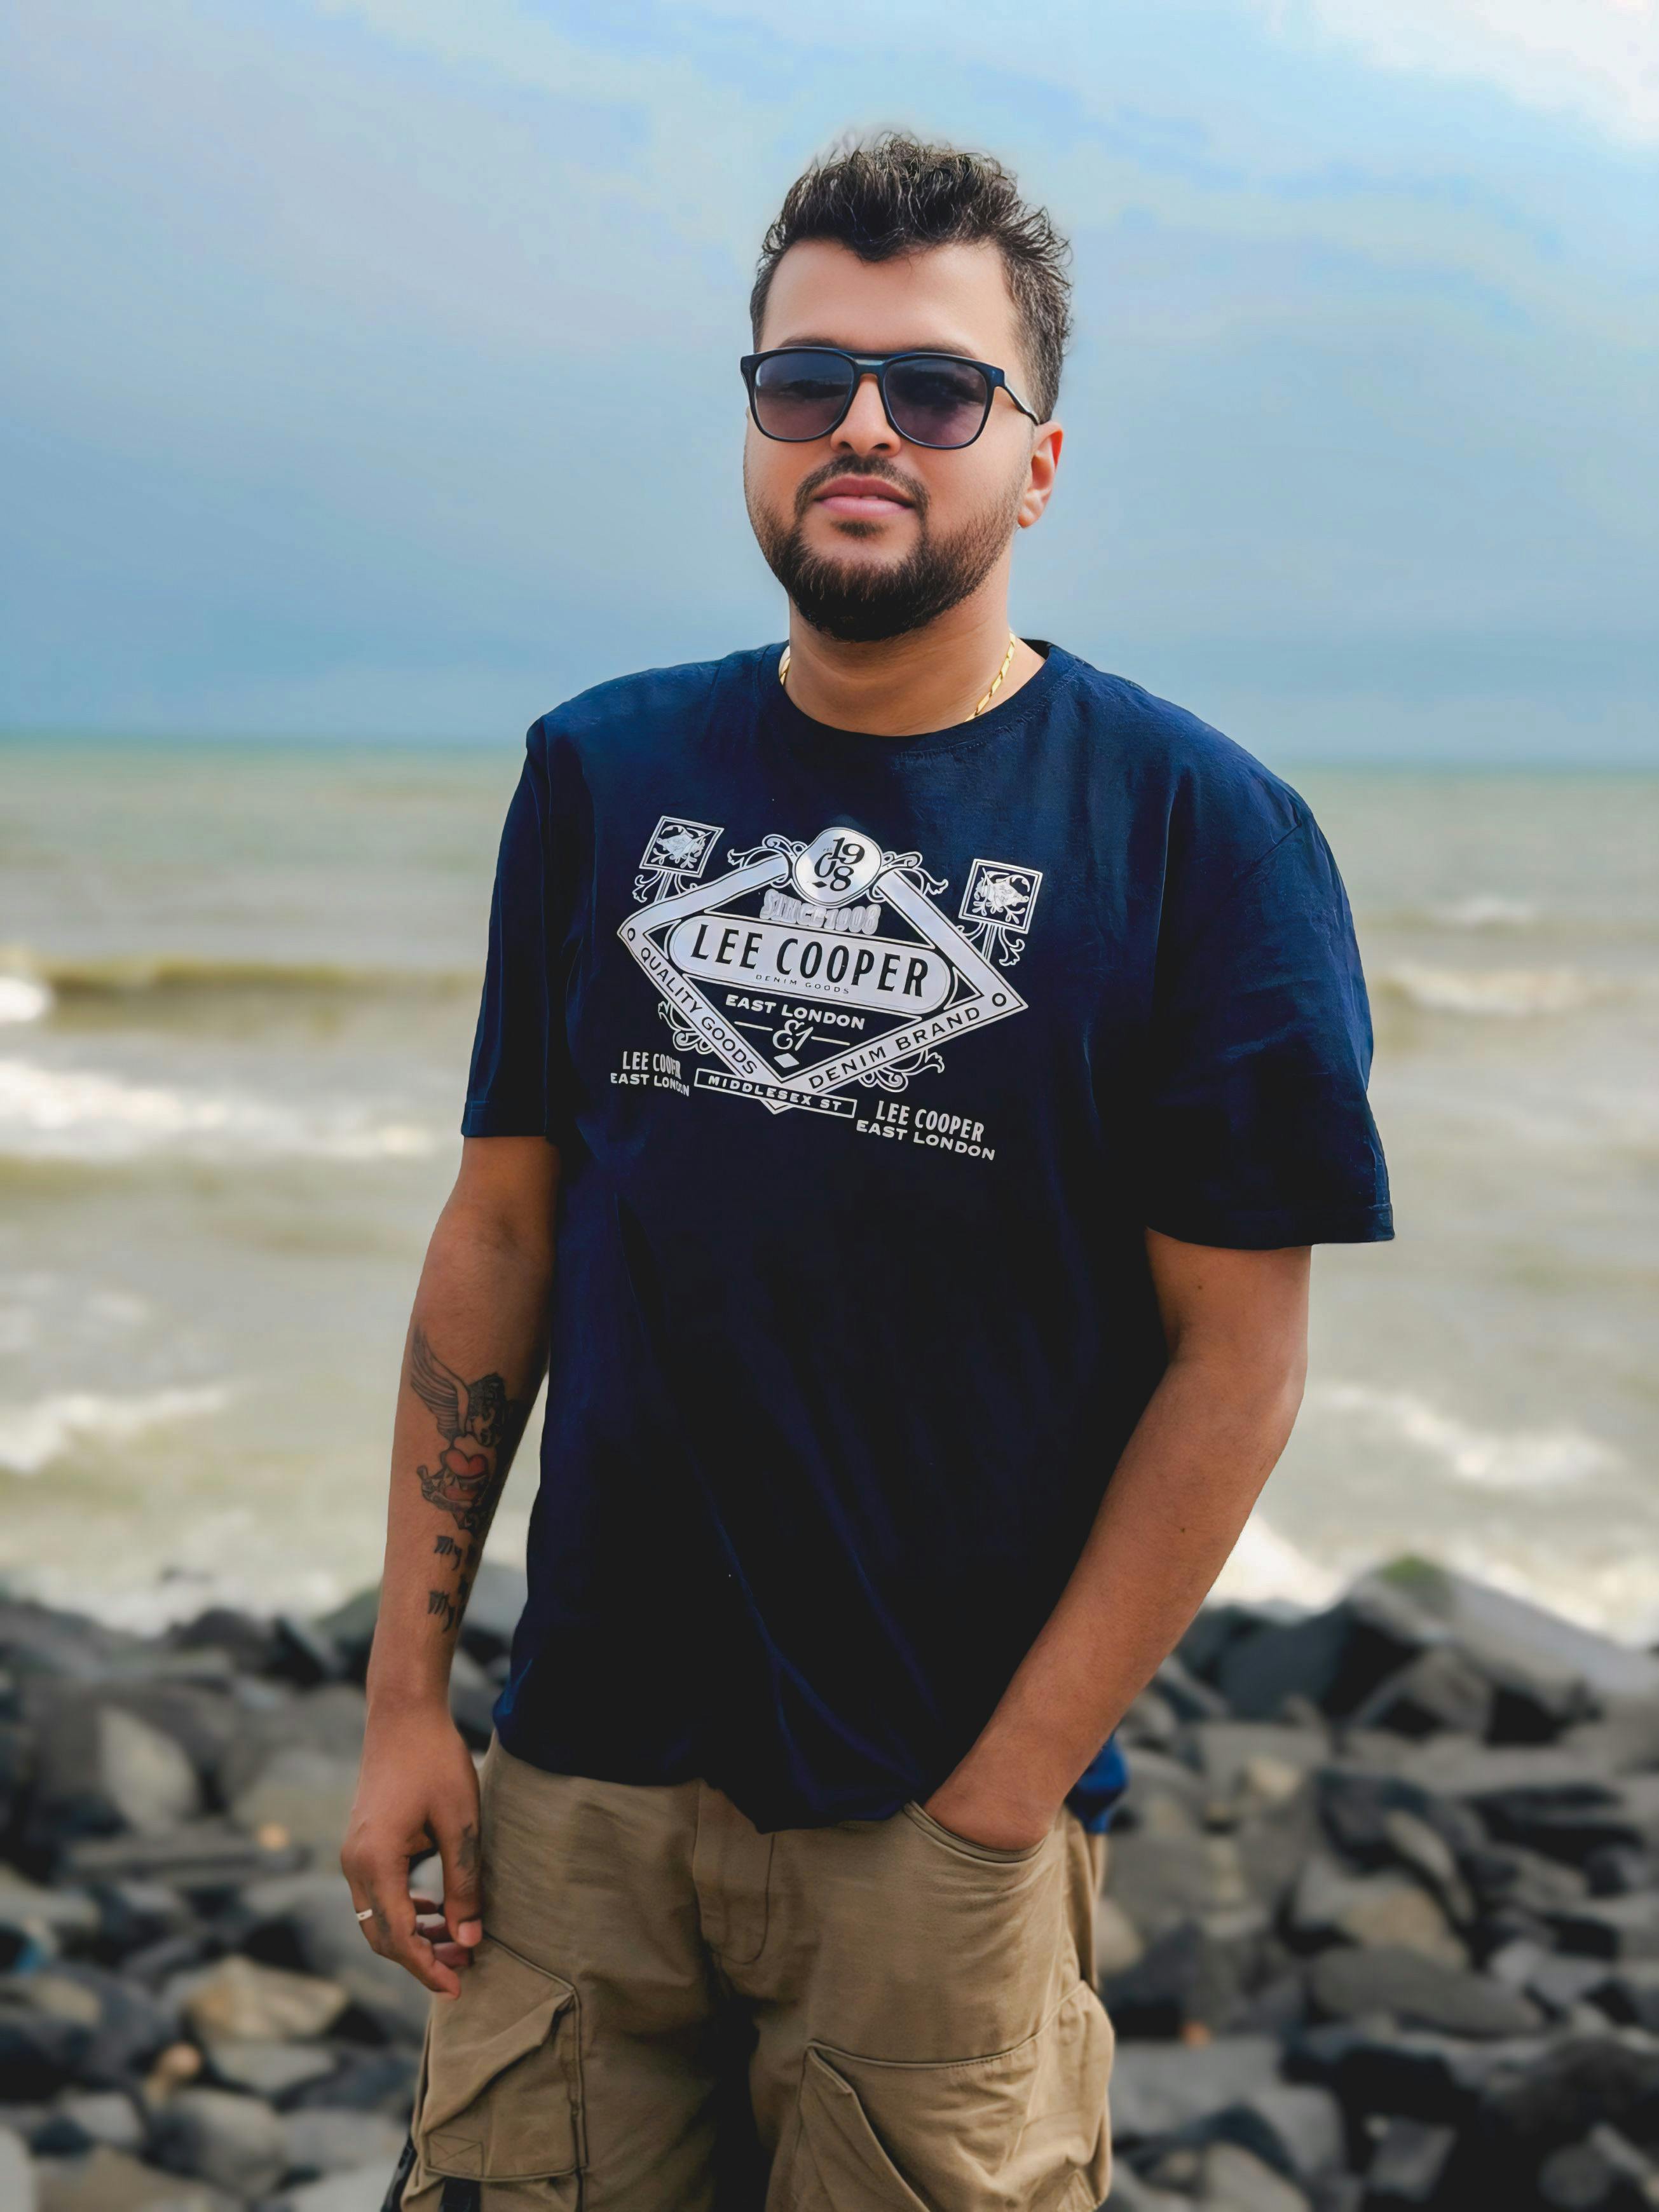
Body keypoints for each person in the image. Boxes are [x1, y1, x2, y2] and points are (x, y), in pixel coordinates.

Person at [344, 133, 1392, 2212]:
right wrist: (405, 1705)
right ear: (748, 420)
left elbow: (1235, 1367)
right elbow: (501, 1233)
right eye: (802, 382)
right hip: (579, 1799)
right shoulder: (598, 773)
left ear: (1040, 459)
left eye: (934, 389)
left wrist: (997, 1805)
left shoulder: (1196, 835)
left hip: (935, 1822)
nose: (862, 430)